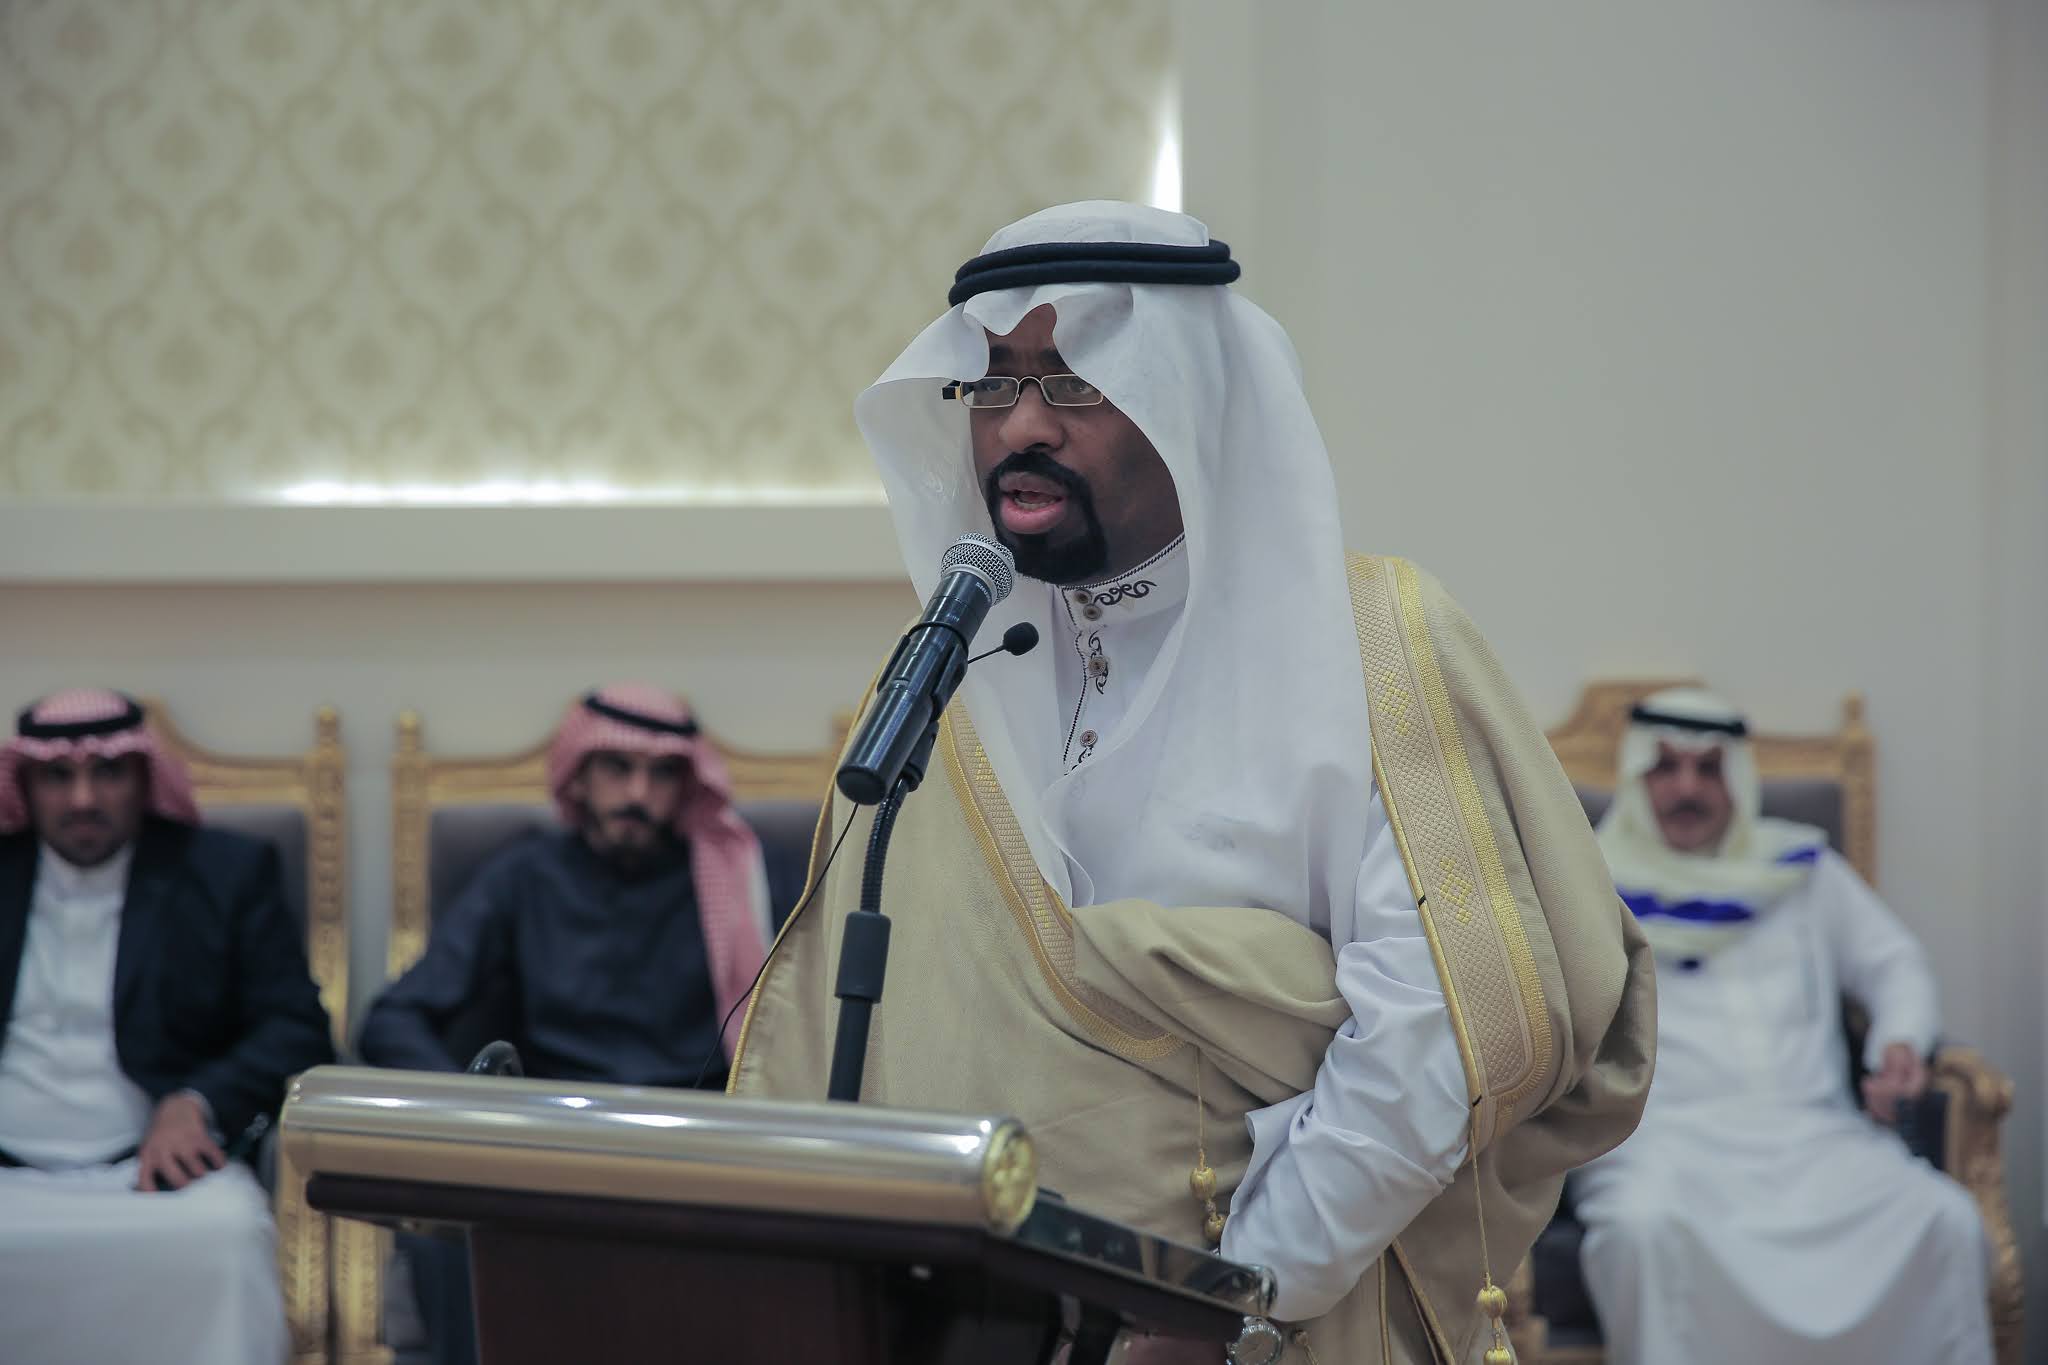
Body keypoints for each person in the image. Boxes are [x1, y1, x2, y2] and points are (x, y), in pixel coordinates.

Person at [728, 201, 1656, 1362]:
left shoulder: (1369, 649)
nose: (1020, 425)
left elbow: (1434, 1038)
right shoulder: (950, 679)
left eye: (1073, 385)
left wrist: (1222, 1308)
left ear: (1187, 402)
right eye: (994, 382)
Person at [1571, 686, 1992, 1364]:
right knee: (1641, 1229)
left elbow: (1895, 964)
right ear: (1636, 774)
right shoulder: (1589, 884)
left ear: (1737, 778)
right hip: (1659, 1145)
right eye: (1666, 766)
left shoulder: (1803, 872)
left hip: (1811, 1139)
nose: (1687, 788)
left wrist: (1900, 1043)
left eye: (1709, 768)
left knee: (1947, 1220)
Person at [357, 684, 772, 1365]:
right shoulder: (525, 875)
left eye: (661, 773)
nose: (638, 793)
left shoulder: (730, 878)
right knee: (447, 1222)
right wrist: (470, 1108)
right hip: (551, 1136)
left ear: (686, 784)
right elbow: (393, 1018)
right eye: (618, 768)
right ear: (579, 774)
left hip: (695, 1140)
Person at [0, 688, 334, 1365]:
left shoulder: (223, 873)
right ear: (26, 785)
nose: (83, 799)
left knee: (227, 1237)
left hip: (153, 1172)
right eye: (58, 776)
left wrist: (196, 1102)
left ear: (145, 776)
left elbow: (296, 1025)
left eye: (108, 772)